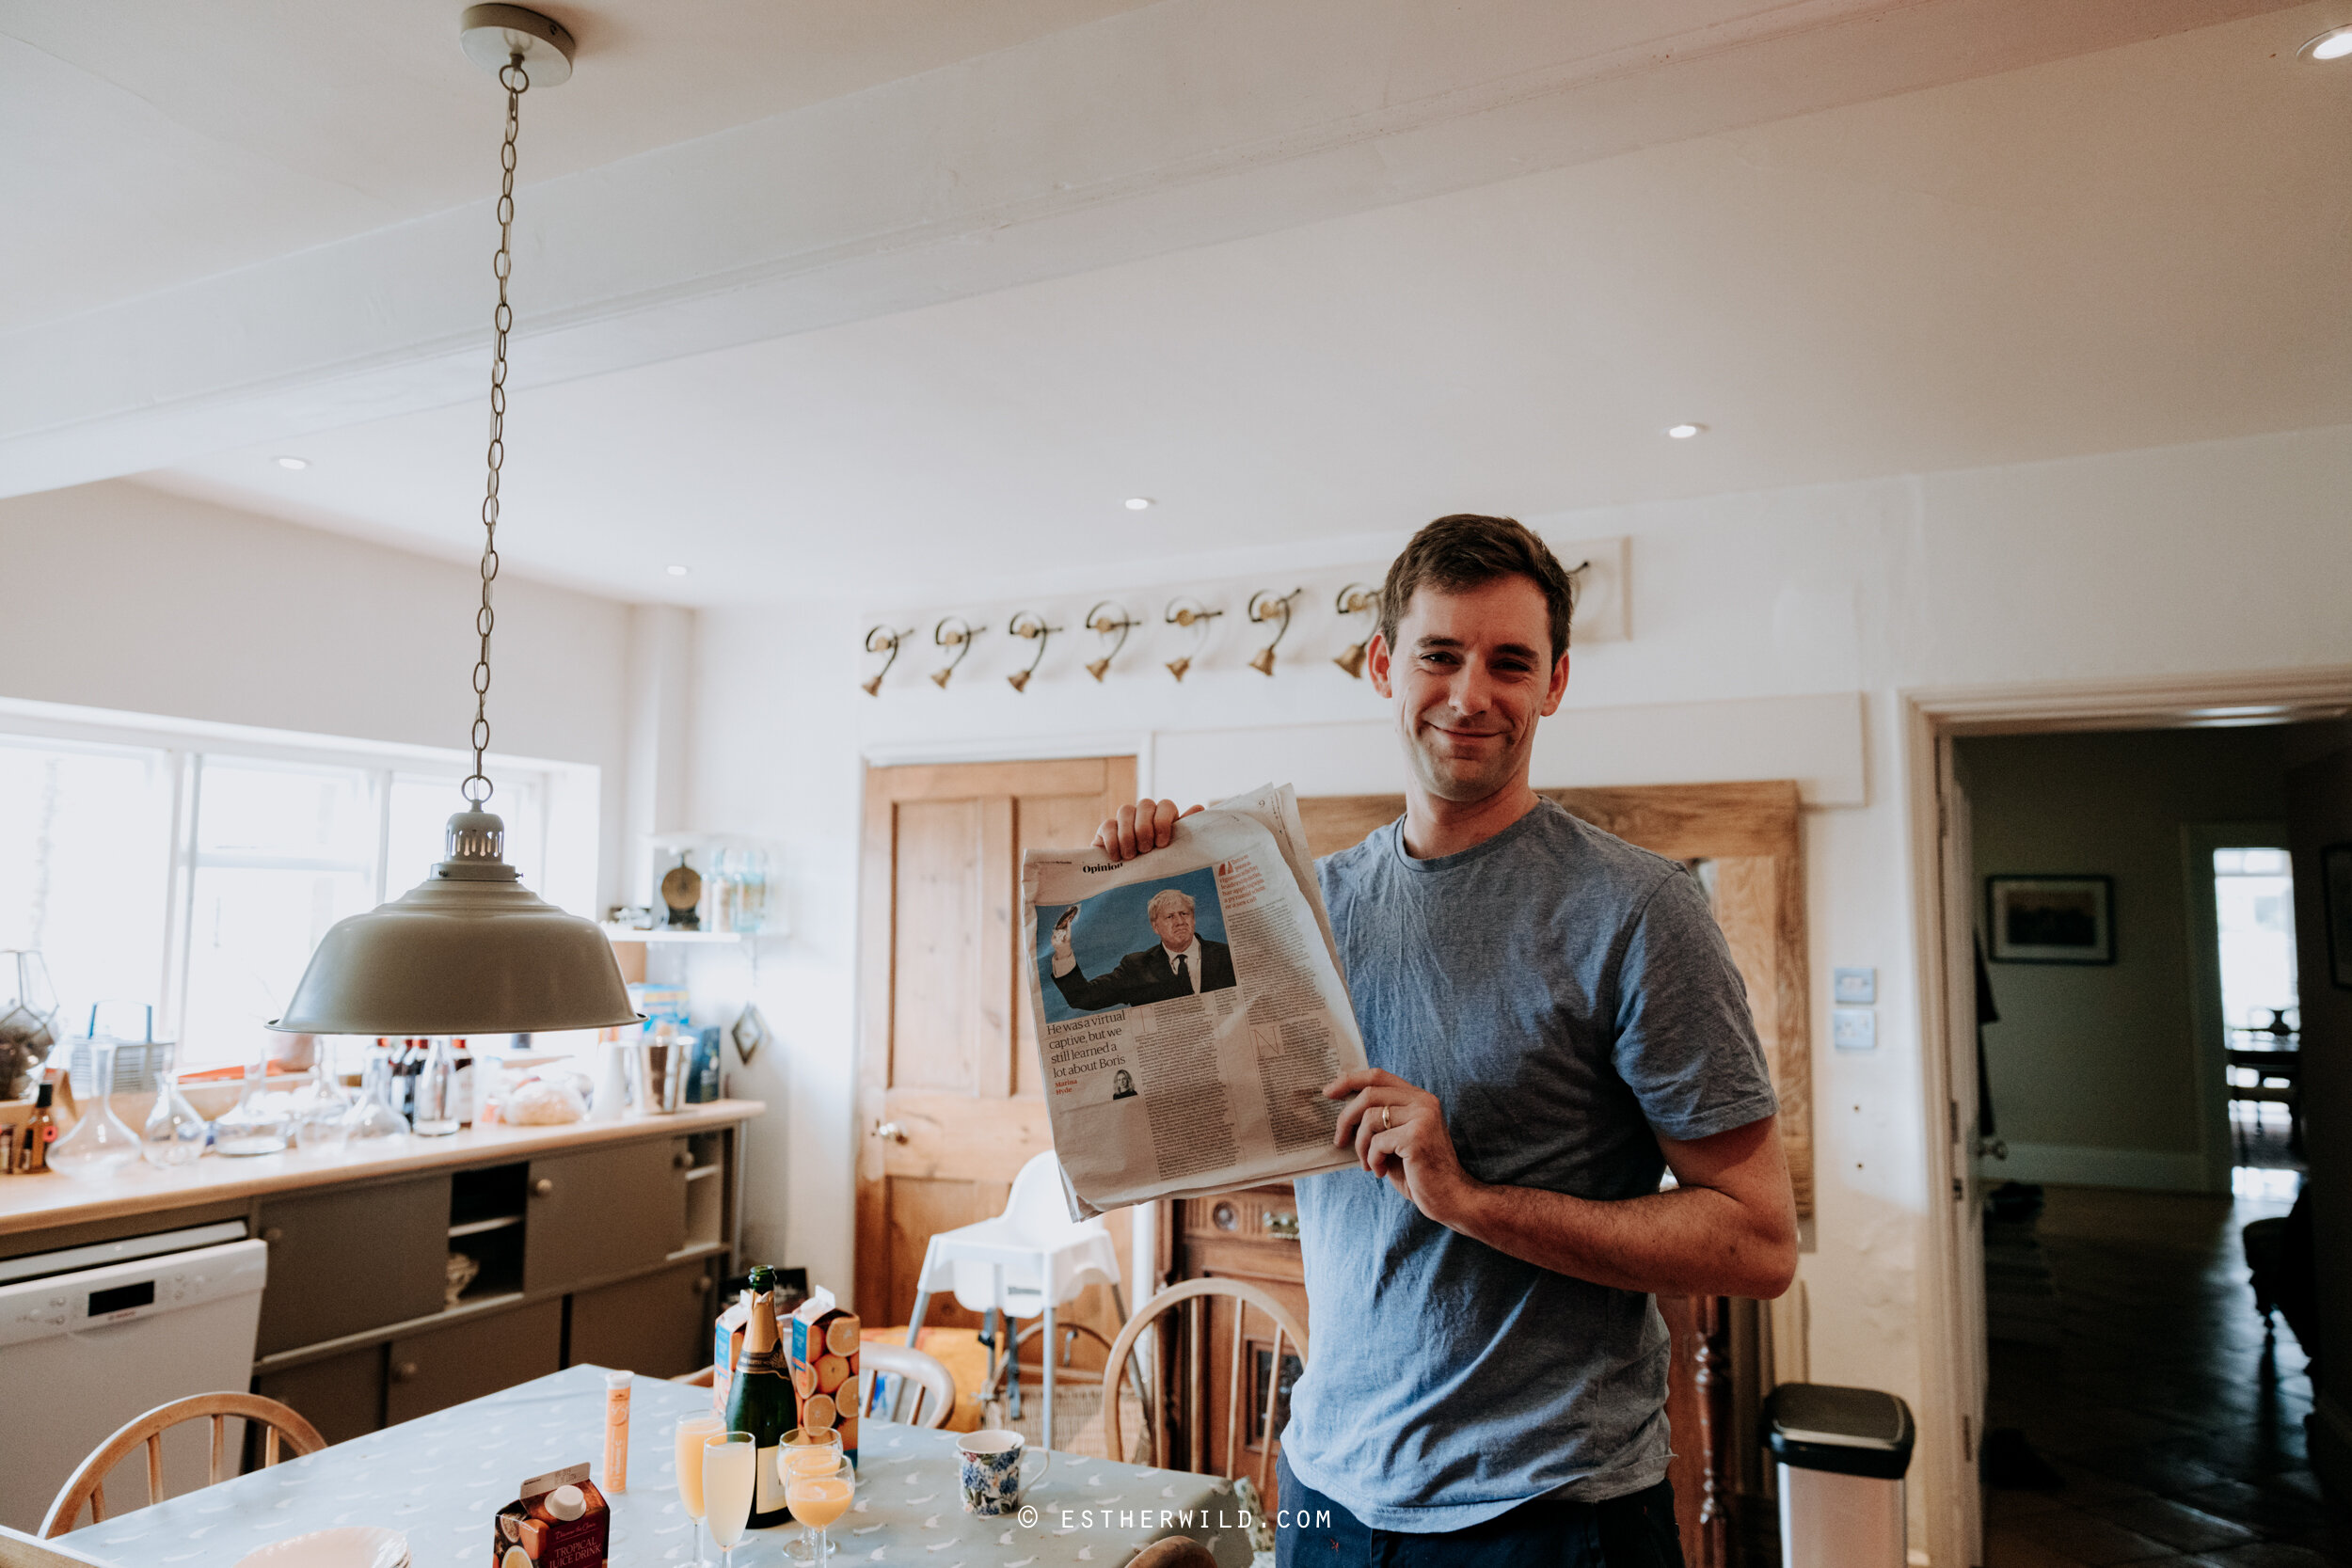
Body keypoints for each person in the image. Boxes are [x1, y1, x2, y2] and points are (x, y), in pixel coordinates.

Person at [1089, 515, 1797, 1567]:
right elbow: (1189, 1122)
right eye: (1438, 653)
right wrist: (1133, 887)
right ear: (1382, 664)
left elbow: (1757, 1240)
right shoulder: (1308, 910)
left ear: (1554, 682)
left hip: (1550, 1512)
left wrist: (1469, 1199)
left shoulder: (1637, 911)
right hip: (1328, 1493)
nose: (1471, 694)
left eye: (1510, 661)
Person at [1048, 887, 1236, 1012]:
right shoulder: (1136, 967)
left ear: (1193, 919)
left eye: (1184, 914)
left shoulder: (1227, 955)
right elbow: (1084, 998)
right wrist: (1063, 952)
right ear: (1155, 927)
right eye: (1170, 917)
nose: (1180, 921)